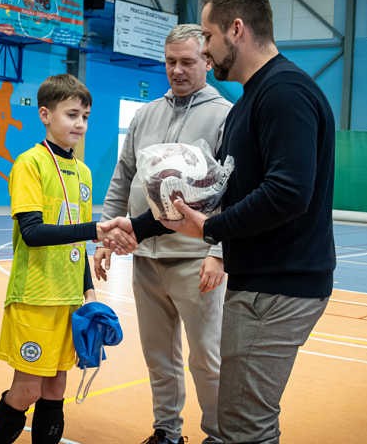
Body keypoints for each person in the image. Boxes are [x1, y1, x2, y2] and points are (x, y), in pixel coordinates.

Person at [136, 0, 336, 444]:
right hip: (258, 283)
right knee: (239, 421)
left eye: (207, 37)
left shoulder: (284, 93)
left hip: (278, 287)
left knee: (245, 427)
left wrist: (211, 230)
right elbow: (215, 190)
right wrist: (138, 225)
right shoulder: (252, 99)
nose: (205, 50)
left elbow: (288, 193)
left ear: (237, 29)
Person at [96, 24, 232, 444]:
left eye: (187, 62)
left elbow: (234, 190)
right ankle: (166, 431)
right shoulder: (146, 114)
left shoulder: (225, 115)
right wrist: (107, 234)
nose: (177, 70)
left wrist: (219, 252)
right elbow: (123, 176)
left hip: (196, 260)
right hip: (145, 257)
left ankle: (218, 436)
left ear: (206, 61)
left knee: (207, 359)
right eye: (170, 62)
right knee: (158, 356)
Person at [0, 74, 138, 444]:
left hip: (69, 301)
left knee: (56, 388)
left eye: (85, 116)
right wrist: (94, 229)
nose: (80, 124)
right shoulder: (30, 164)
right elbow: (33, 233)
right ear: (45, 115)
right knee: (27, 391)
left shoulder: (83, 173)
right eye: (71, 115)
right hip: (35, 298)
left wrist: (88, 290)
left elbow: (77, 242)